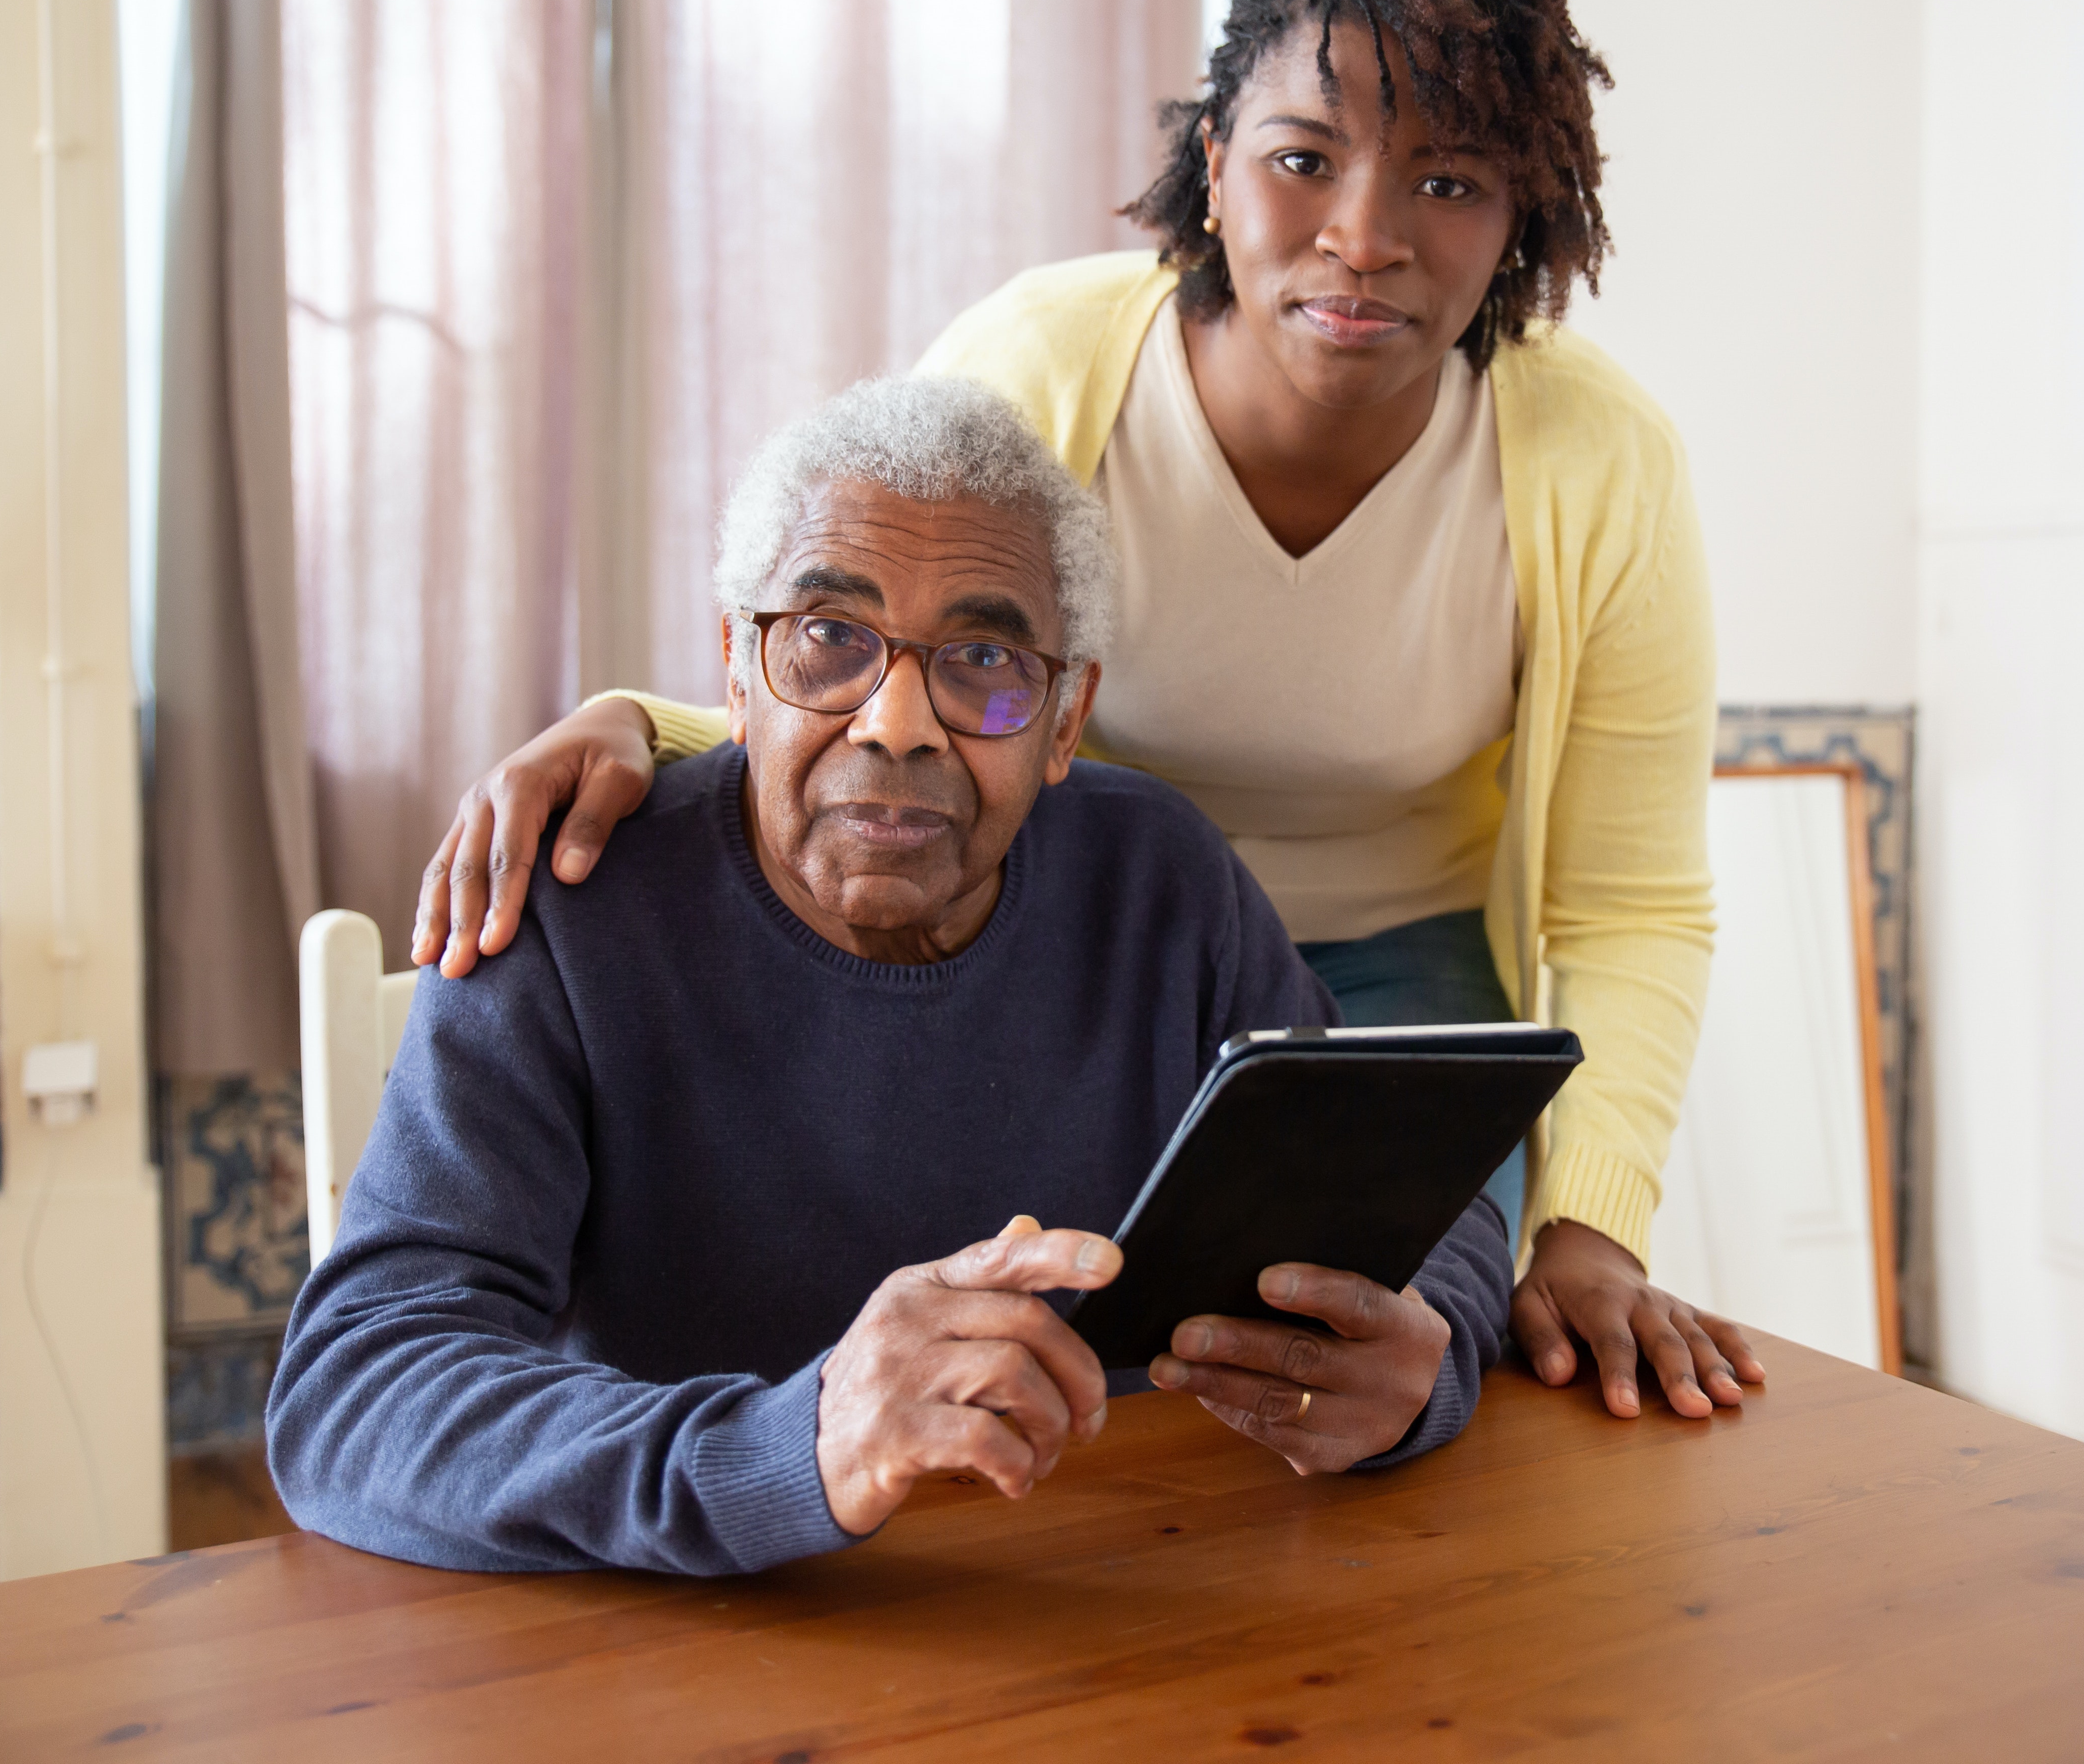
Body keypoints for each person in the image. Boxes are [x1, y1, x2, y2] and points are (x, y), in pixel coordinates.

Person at [409, 0, 1767, 1423]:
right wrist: (638, 725)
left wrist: (1587, 1232)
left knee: (1387, 1404)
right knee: (1080, 1383)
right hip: (1097, 951)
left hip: (1404, 989)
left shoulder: (1601, 460)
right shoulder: (1050, 364)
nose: (1367, 237)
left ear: (1523, 213)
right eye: (1303, 158)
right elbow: (883, 648)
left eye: (1449, 181)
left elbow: (1632, 900)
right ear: (1215, 162)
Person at [269, 380, 1508, 1574]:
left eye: (983, 658)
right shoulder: (570, 904)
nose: (898, 722)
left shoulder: (1162, 882)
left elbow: (1426, 1206)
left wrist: (1422, 1369)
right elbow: (357, 1393)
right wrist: (792, 1447)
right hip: (701, 1636)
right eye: (828, 640)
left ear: (1066, 721)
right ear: (737, 673)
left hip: (1132, 1601)